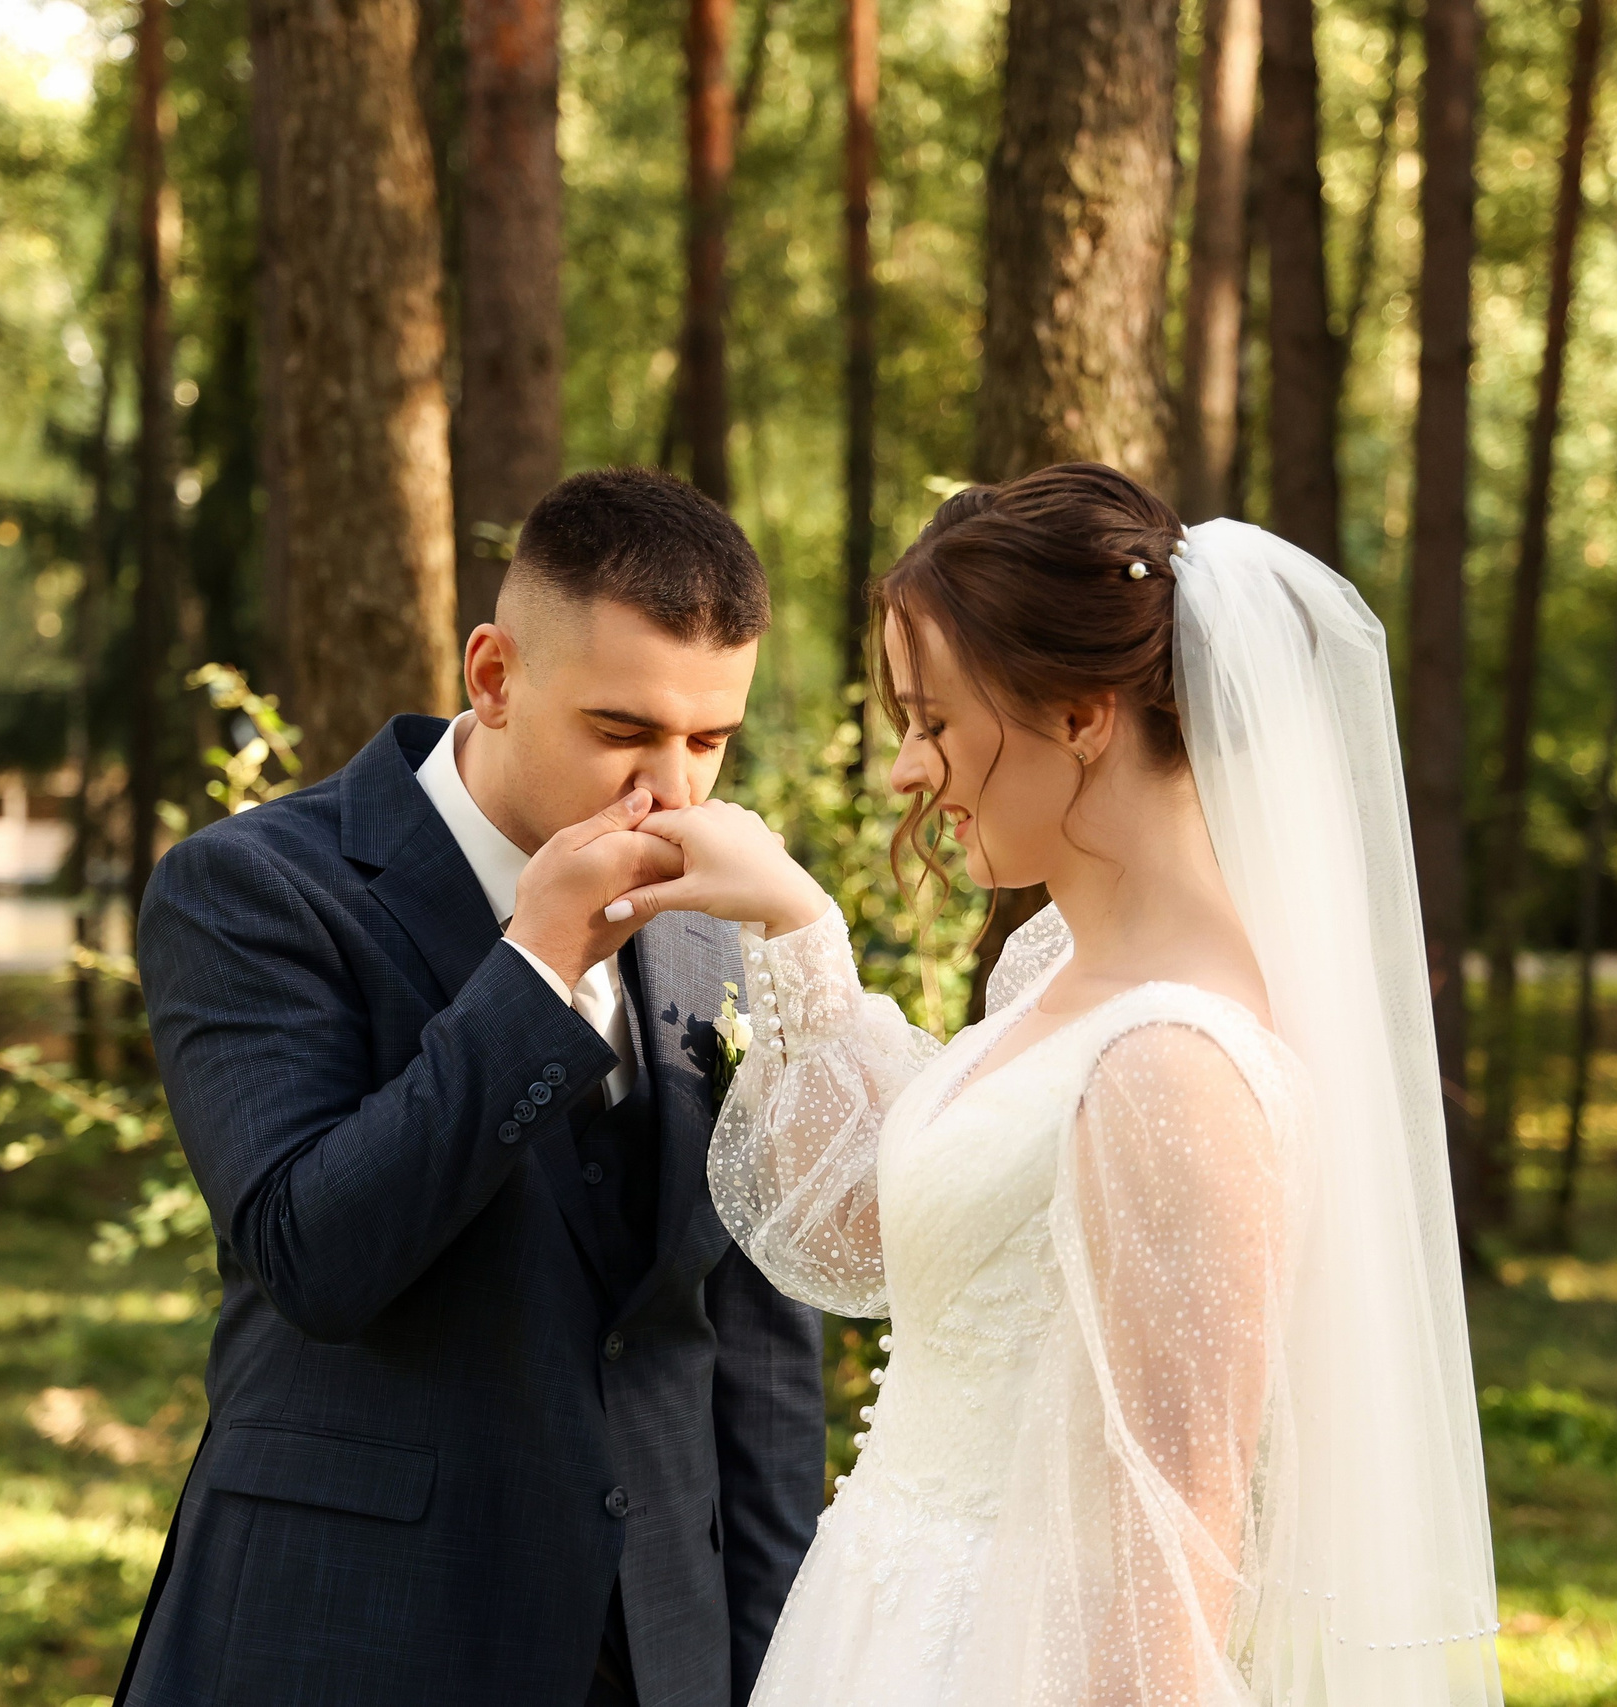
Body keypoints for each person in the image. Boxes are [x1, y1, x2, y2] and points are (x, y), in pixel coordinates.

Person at [610, 464, 1506, 1706]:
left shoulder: (1175, 1069)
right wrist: (797, 930)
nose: (908, 774)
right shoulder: (1058, 975)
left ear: (1082, 715)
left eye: (933, 723)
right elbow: (872, 1228)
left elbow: (1165, 1553)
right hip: (886, 1620)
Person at [118, 467, 827, 1707]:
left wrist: (775, 1671)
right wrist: (532, 966)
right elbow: (313, 1257)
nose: (671, 791)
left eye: (709, 741)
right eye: (621, 732)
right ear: (492, 677)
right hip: (348, 1639)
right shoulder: (254, 892)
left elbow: (755, 1355)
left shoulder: (719, 925)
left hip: (659, 1653)